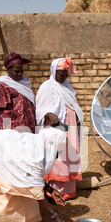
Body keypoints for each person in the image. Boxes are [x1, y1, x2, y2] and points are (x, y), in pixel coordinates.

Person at [0, 126, 69, 222]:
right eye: (58, 150)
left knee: (18, 186)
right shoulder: (35, 156)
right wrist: (55, 216)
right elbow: (37, 192)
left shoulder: (40, 144)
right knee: (2, 187)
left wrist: (51, 190)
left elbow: (33, 179)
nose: (58, 155)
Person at [35, 57, 83, 200]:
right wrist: (49, 114)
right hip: (55, 127)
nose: (63, 76)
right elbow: (39, 108)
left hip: (70, 126)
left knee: (69, 155)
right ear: (53, 71)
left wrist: (77, 118)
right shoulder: (47, 86)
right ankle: (52, 190)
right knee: (56, 156)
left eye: (65, 73)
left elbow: (73, 106)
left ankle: (67, 190)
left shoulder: (67, 87)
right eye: (60, 73)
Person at [0, 52, 36, 133]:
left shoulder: (25, 84)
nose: (19, 74)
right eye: (16, 71)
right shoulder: (2, 85)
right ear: (8, 70)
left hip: (26, 128)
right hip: (8, 128)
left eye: (21, 71)